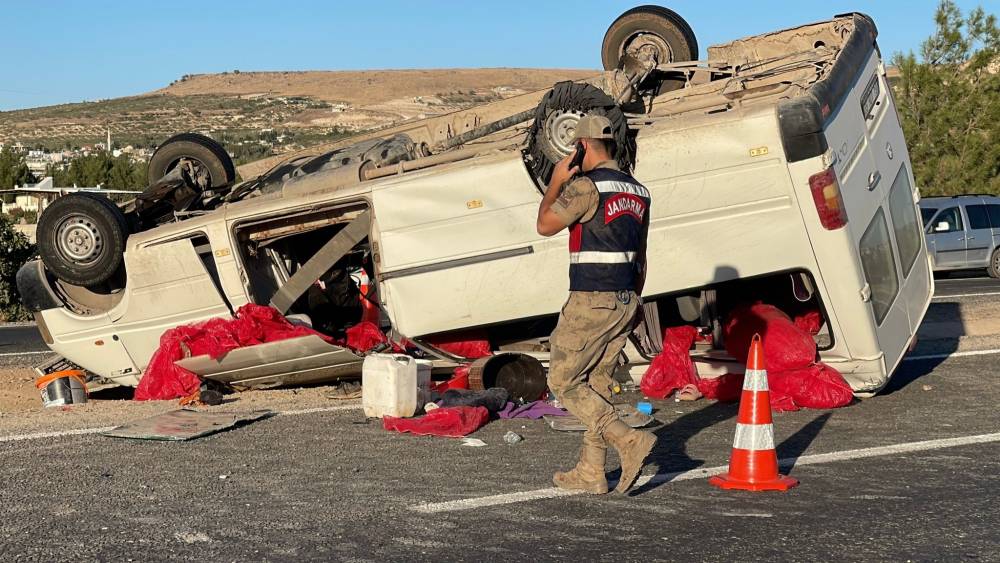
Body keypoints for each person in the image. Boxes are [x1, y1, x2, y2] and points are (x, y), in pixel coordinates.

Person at [536, 115, 656, 495]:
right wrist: (632, 301)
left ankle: (627, 439)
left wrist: (557, 180)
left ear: (582, 146)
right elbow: (642, 254)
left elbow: (544, 225)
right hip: (625, 298)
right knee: (598, 382)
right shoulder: (639, 191)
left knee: (564, 380)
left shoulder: (587, 188)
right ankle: (591, 469)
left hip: (592, 299)